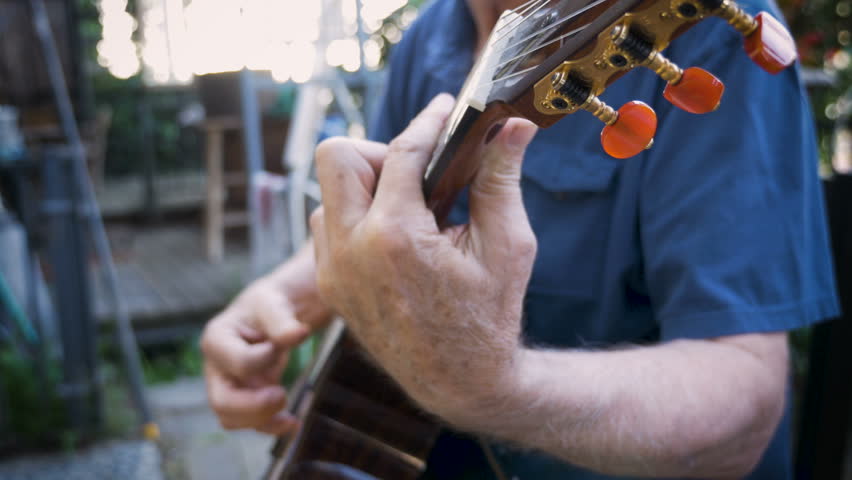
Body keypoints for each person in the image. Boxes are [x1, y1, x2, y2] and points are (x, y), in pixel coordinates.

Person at [200, 0, 839, 478]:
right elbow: (399, 224)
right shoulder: (432, 32)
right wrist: (282, 294)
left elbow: (744, 401)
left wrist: (493, 386)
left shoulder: (700, 34)